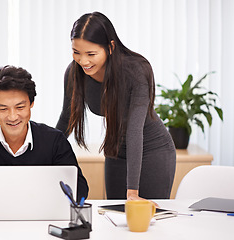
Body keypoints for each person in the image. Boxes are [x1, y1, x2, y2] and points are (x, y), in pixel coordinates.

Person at [56, 12, 176, 201]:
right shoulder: (74, 73)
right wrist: (46, 156)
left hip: (152, 150)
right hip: (116, 151)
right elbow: (66, 119)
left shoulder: (136, 71)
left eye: (91, 54)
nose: (83, 61)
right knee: (116, 217)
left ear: (110, 47)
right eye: (76, 52)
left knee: (148, 217)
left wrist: (132, 192)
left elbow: (135, 130)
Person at [0, 65, 88, 206]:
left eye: (20, 107)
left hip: (39, 220)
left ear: (31, 104)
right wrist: (13, 200)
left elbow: (79, 188)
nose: (13, 117)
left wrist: (24, 201)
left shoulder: (54, 140)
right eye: (3, 109)